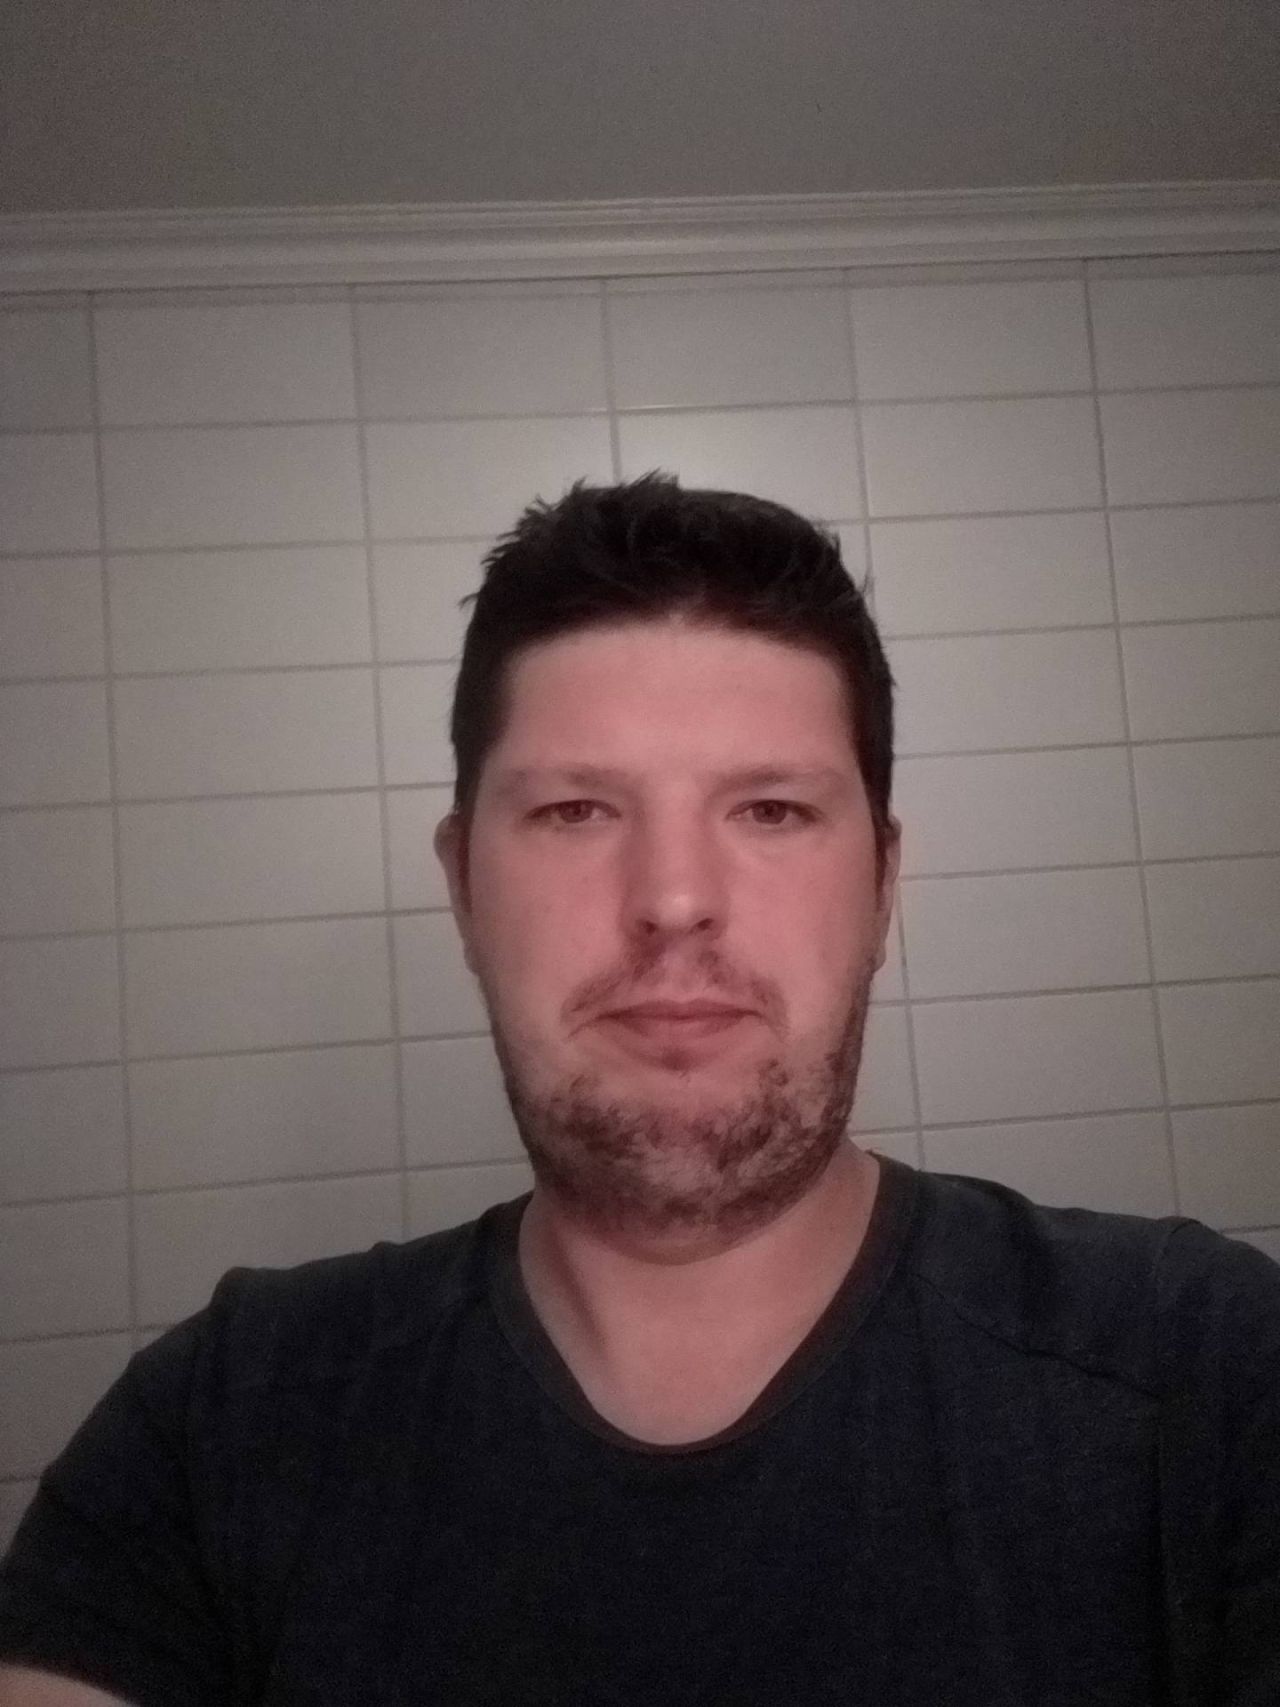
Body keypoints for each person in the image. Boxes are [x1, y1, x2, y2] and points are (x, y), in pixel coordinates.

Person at [0, 473, 1276, 1705]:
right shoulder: (223, 1420)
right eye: (574, 810)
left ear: (884, 887)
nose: (671, 898)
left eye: (769, 809)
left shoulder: (1206, 1371)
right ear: (462, 887)